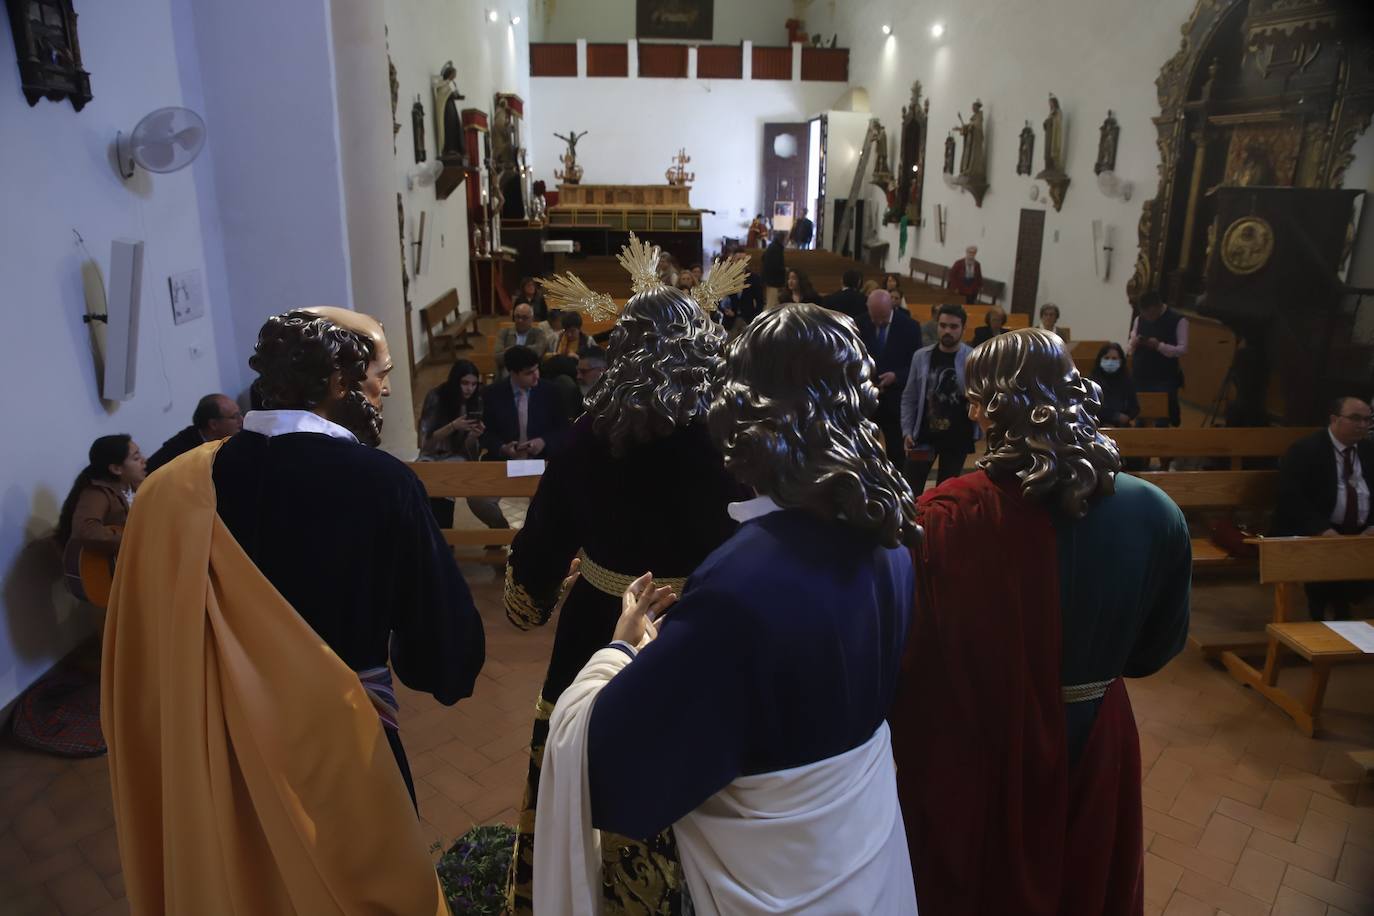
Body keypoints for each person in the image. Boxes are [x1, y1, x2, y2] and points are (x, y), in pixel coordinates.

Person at [535, 302, 918, 914]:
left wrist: (621, 651)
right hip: (865, 855)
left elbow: (615, 770)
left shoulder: (743, 582)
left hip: (775, 878)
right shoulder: (886, 537)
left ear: (747, 416)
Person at [102, 307, 484, 916]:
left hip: (218, 742)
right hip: (343, 744)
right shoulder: (382, 483)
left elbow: (143, 647)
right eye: (379, 373)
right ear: (338, 381)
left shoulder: (176, 489)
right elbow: (447, 657)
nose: (386, 387)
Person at [890, 328, 1191, 916]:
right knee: (1088, 878)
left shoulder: (945, 519)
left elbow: (915, 657)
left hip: (988, 742)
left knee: (988, 885)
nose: (971, 411)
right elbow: (1155, 652)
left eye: (976, 399)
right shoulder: (1155, 512)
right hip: (1097, 729)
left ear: (992, 407)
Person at [503, 288, 745, 915]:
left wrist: (538, 591)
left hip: (599, 632)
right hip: (704, 636)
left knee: (590, 767)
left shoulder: (584, 439)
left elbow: (529, 588)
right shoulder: (732, 441)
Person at [1272, 396, 1374, 620]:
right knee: (1328, 556)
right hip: (1317, 531)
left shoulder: (1368, 451)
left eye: (1368, 420)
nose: (1363, 425)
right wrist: (1321, 529)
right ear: (1334, 419)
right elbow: (1291, 498)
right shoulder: (1305, 449)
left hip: (1361, 533)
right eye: (1355, 418)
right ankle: (1322, 618)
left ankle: (1350, 619)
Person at [418, 359, 513, 534]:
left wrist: (474, 435)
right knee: (424, 478)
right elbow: (425, 443)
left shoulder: (477, 400)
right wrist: (453, 426)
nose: (469, 388)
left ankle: (445, 534)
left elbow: (469, 450)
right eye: (464, 383)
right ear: (455, 381)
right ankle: (435, 534)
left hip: (457, 455)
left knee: (447, 477)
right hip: (432, 453)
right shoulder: (437, 396)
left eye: (473, 384)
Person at [58, 435, 146, 601]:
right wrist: (130, 538)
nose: (144, 460)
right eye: (136, 458)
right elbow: (85, 530)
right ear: (116, 469)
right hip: (115, 575)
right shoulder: (98, 493)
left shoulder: (137, 486)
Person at [902, 303, 978, 493]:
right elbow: (909, 396)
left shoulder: (973, 358)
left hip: (957, 437)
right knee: (911, 487)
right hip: (924, 435)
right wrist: (907, 430)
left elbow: (979, 397)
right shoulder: (921, 357)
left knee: (946, 492)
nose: (947, 331)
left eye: (953, 327)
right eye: (943, 325)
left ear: (963, 329)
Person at [859, 289, 923, 463]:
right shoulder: (860, 323)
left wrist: (896, 376)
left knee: (896, 453)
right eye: (875, 317)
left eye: (883, 318)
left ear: (892, 308)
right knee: (864, 451)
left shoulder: (910, 327)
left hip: (895, 400)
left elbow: (915, 366)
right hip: (867, 398)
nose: (878, 322)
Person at [481, 345, 569, 466]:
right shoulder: (492, 394)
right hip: (505, 461)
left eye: (536, 369)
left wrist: (544, 441)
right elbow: (486, 433)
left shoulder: (551, 391)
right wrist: (502, 448)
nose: (536, 376)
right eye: (529, 373)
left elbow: (563, 429)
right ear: (512, 373)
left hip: (544, 458)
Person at [1127, 290, 1188, 427]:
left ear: (1158, 307)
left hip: (1164, 377)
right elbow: (1130, 347)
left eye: (1150, 313)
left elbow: (1182, 349)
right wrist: (1134, 343)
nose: (1147, 317)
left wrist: (1159, 346)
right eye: (1144, 313)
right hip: (1140, 374)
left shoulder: (1178, 320)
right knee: (1140, 416)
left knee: (1161, 419)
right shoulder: (1139, 319)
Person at [144, 394, 243, 473]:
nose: (241, 420)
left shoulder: (235, 438)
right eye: (235, 416)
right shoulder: (181, 451)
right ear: (213, 424)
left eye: (240, 414)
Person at [496, 303, 553, 378]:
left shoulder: (539, 333)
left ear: (532, 319)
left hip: (530, 369)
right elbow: (498, 357)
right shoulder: (504, 332)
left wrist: (512, 350)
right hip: (509, 368)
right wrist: (525, 351)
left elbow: (537, 352)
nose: (520, 320)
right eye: (517, 317)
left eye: (524, 317)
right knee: (507, 373)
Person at [1090, 343, 1140, 427]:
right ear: (1100, 360)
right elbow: (1092, 407)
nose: (1110, 361)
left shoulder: (1127, 381)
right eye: (1106, 358)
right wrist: (1114, 416)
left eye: (1114, 358)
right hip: (1098, 426)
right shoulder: (1092, 382)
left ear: (1120, 361)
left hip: (1122, 427)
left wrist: (1126, 417)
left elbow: (1135, 408)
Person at [761, 230, 788, 309]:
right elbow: (775, 266)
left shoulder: (772, 246)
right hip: (773, 281)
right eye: (786, 238)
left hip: (769, 279)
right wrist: (785, 269)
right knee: (771, 305)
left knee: (772, 302)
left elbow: (762, 258)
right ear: (782, 239)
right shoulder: (776, 249)